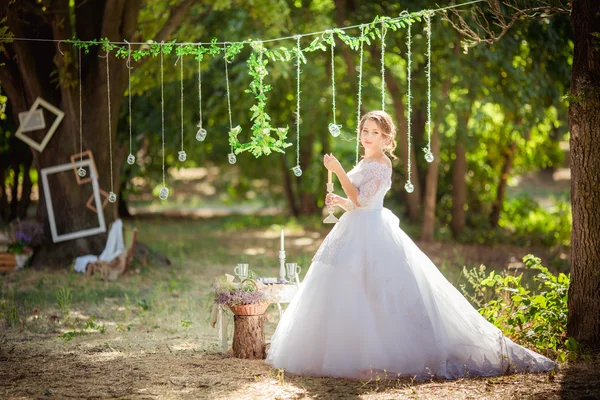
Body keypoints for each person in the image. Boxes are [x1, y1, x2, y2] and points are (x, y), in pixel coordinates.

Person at [265, 110, 557, 380]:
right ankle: (348, 349)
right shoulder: (365, 162)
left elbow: (363, 200)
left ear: (387, 138)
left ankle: (386, 353)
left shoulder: (382, 164)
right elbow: (355, 203)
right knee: (349, 287)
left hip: (373, 232)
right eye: (365, 130)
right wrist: (339, 201)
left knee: (381, 290)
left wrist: (339, 172)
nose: (368, 136)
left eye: (375, 133)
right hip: (353, 228)